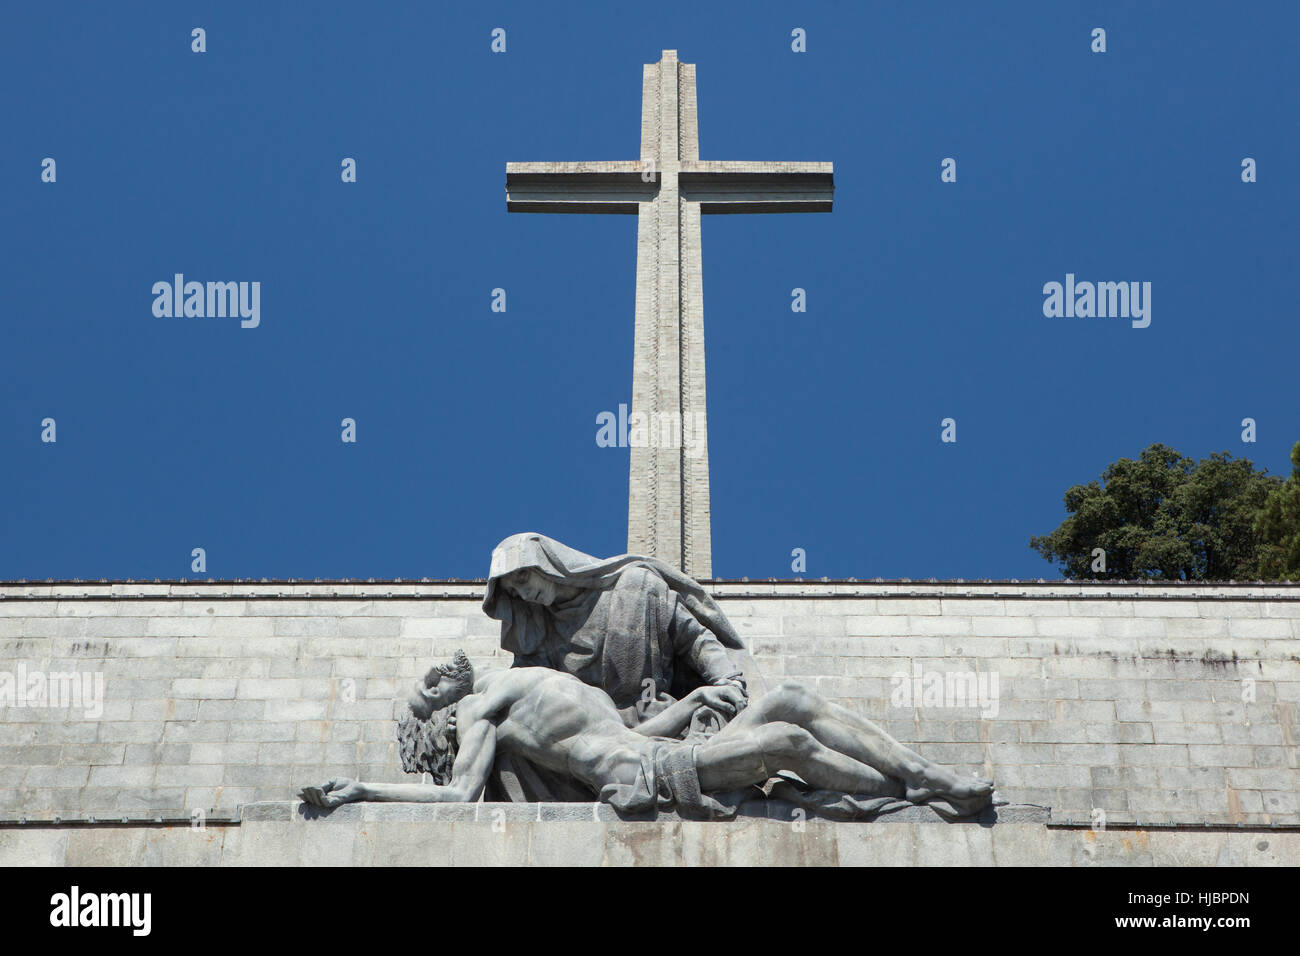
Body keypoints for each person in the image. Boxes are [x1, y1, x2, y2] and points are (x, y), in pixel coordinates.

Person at [299, 650, 994, 819]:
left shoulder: (522, 679)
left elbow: (628, 726)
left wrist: (695, 694)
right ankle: (916, 793)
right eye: (428, 684)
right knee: (789, 743)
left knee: (789, 699)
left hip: (663, 747)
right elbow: (458, 800)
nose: (439, 667)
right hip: (658, 778)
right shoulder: (484, 714)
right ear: (438, 716)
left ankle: (925, 779)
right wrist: (360, 790)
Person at [482, 533, 748, 727]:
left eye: (522, 577)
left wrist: (729, 681)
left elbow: (695, 640)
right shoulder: (538, 632)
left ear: (547, 561)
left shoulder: (636, 584)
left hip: (654, 716)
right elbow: (520, 687)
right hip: (580, 733)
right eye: (514, 592)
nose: (525, 593)